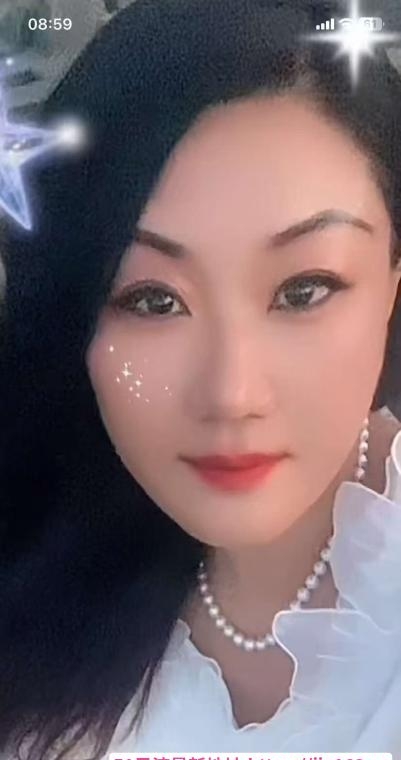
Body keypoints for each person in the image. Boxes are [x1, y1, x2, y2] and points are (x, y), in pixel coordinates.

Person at [1, 0, 401, 757]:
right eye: (152, 301)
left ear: (392, 284)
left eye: (304, 290)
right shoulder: (37, 537)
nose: (231, 395)